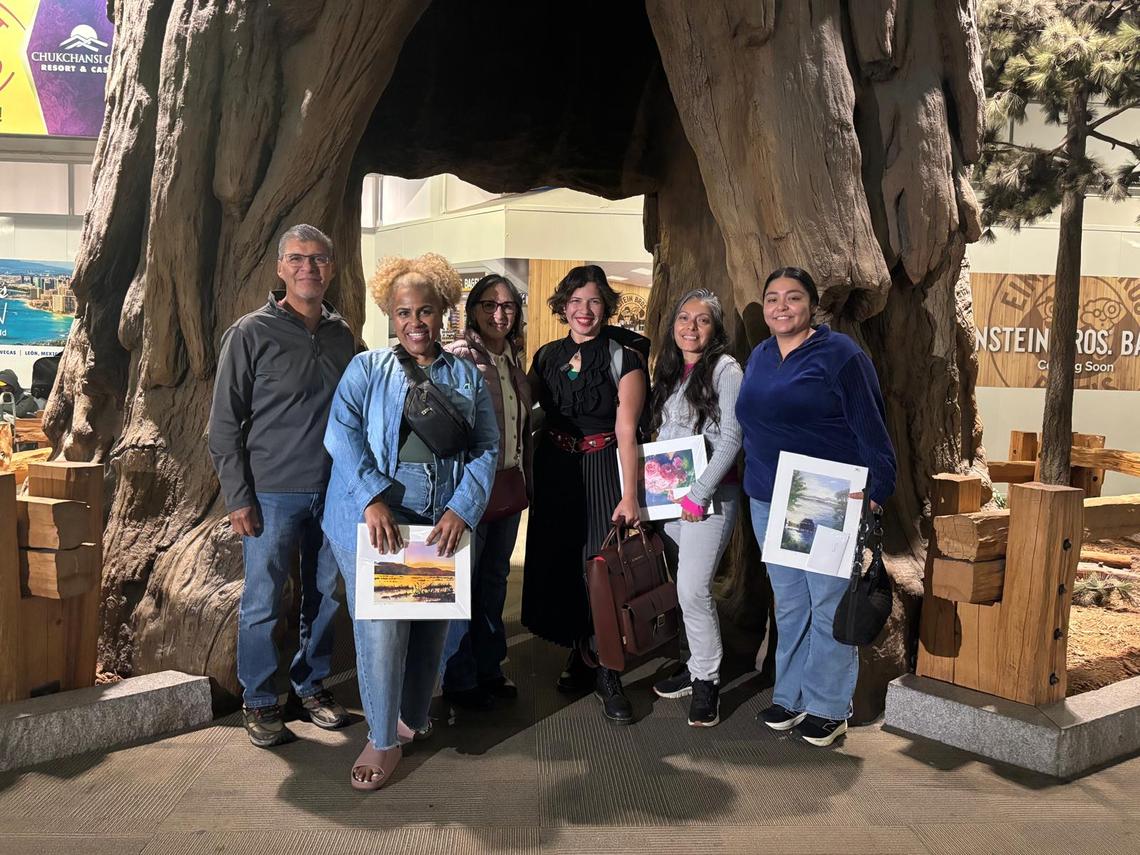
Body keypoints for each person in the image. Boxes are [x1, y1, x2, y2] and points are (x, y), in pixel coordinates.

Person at [322, 253, 498, 790]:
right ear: (389, 316)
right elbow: (341, 434)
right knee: (380, 628)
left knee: (429, 623)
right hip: (377, 519)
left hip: (438, 519)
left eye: (425, 311)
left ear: (443, 311)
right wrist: (372, 498)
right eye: (404, 313)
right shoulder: (366, 369)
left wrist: (461, 509)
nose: (415, 323)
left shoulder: (467, 374)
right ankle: (379, 737)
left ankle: (412, 717)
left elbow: (488, 448)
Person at [208, 224, 356, 748]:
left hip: (335, 492)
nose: (308, 268)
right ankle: (261, 699)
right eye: (297, 258)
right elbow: (224, 423)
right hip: (271, 493)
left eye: (318, 259)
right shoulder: (250, 333)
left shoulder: (343, 334)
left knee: (325, 596)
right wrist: (238, 496)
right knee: (265, 600)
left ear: (331, 267)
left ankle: (310, 685)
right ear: (280, 267)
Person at [737, 266, 896, 747]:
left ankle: (827, 706)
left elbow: (872, 426)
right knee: (789, 603)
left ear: (812, 306)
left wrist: (876, 491)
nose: (781, 307)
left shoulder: (841, 355)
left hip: (823, 495)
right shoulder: (762, 354)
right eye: (772, 299)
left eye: (792, 298)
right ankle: (789, 694)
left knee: (827, 599)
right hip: (768, 496)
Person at [521, 264, 648, 725]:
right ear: (562, 306)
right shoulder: (548, 355)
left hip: (601, 468)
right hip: (556, 467)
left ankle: (609, 671)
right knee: (561, 564)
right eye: (575, 301)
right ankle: (582, 650)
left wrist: (629, 495)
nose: (584, 310)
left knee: (602, 569)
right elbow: (521, 403)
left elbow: (627, 429)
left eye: (593, 301)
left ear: (606, 306)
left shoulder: (623, 357)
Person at [647, 289, 743, 728]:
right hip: (670, 499)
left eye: (702, 320)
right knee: (682, 587)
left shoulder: (725, 369)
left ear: (715, 328)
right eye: (684, 318)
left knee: (693, 590)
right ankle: (692, 666)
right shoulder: (669, 370)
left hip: (706, 500)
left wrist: (698, 494)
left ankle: (707, 681)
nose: (691, 327)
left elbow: (731, 440)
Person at [440, 274, 532, 710]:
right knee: (463, 583)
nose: (499, 314)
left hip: (509, 487)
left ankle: (490, 666)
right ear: (473, 310)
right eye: (489, 306)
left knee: (494, 581)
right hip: (468, 491)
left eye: (508, 307)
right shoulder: (459, 358)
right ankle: (459, 677)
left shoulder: (512, 360)